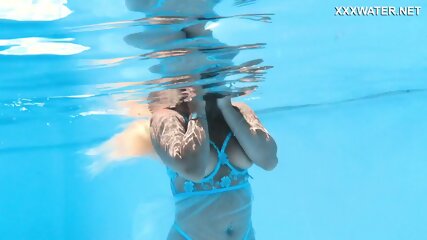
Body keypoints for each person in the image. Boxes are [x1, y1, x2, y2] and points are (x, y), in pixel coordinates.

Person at [149, 88, 278, 240]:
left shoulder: (239, 110)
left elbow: (269, 161)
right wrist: (197, 108)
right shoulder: (167, 117)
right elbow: (194, 170)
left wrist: (226, 107)